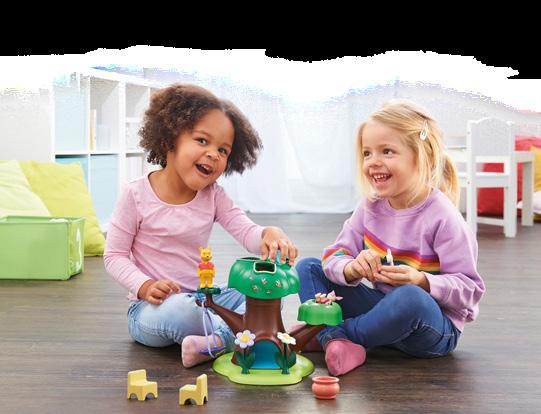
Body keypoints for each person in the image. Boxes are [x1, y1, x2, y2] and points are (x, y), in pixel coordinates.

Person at [104, 84, 298, 368]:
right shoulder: (135, 194)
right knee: (182, 310)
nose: (213, 154)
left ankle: (214, 341)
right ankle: (238, 335)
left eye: (223, 150)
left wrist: (270, 233)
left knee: (268, 290)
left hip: (202, 297)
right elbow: (114, 255)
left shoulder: (213, 196)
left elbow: (247, 232)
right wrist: (144, 286)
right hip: (151, 309)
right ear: (170, 138)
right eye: (202, 140)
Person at [296, 99, 485, 376]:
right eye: (367, 153)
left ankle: (332, 335)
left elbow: (470, 290)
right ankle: (336, 338)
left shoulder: (444, 217)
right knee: (308, 268)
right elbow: (335, 256)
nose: (373, 161)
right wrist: (351, 268)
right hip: (382, 312)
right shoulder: (370, 207)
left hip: (431, 329)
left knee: (409, 297)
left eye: (387, 151)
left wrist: (422, 281)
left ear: (422, 156)